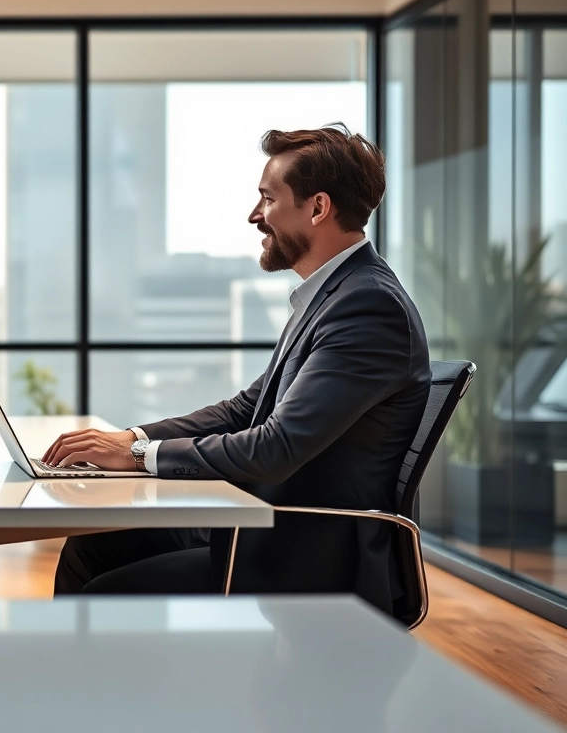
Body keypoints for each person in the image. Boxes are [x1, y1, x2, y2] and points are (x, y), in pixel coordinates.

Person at [47, 124, 429, 616]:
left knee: (106, 594)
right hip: (269, 523)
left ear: (317, 207)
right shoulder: (335, 296)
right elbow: (246, 408)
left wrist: (141, 457)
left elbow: (275, 448)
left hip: (307, 552)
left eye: (268, 199)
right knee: (92, 547)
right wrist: (129, 439)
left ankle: (104, 686)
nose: (255, 215)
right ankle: (91, 688)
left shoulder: (368, 307)